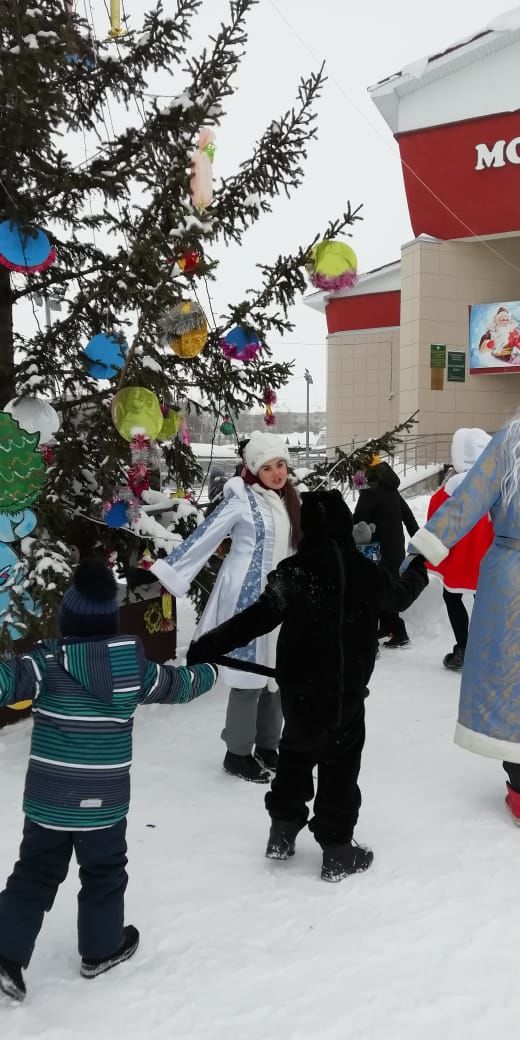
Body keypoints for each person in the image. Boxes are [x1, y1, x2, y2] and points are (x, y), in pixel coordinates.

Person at [0, 560, 217, 1003]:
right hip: (105, 802)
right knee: (103, 872)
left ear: (68, 619)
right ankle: (101, 949)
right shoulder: (131, 666)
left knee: (35, 873)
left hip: (49, 800)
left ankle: (5, 955)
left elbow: (8, 681)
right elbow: (177, 684)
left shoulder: (46, 662)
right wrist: (210, 673)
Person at [187, 490, 428, 882]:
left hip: (298, 690)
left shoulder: (293, 572)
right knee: (339, 767)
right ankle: (336, 851)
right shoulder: (363, 572)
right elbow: (399, 598)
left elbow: (257, 619)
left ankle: (281, 834)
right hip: (344, 694)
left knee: (296, 755)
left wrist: (208, 645)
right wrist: (419, 568)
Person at [150, 430, 301, 784]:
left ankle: (268, 746)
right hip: (246, 598)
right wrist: (167, 574)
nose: (277, 473)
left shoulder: (291, 500)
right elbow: (204, 539)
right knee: (248, 679)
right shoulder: (242, 500)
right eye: (268, 468)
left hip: (282, 600)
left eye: (281, 464)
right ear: (253, 471)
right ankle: (237, 753)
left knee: (278, 673)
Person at [407, 416, 520, 823]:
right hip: (513, 578)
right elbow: (469, 498)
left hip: (510, 571)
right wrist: (424, 549)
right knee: (512, 679)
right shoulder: (512, 439)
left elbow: (470, 497)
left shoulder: (511, 438)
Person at [426, 428, 493, 671]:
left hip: (456, 558)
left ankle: (464, 648)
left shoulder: (447, 491)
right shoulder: (496, 486)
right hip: (488, 558)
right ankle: (485, 650)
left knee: (451, 596)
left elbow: (433, 523)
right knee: (485, 601)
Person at [353, 455, 419, 647]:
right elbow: (408, 516)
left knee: (373, 591)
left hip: (375, 550)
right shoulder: (391, 490)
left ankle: (391, 633)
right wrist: (417, 538)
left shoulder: (371, 493)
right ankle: (390, 628)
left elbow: (358, 519)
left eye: (359, 472)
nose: (357, 477)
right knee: (387, 588)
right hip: (394, 548)